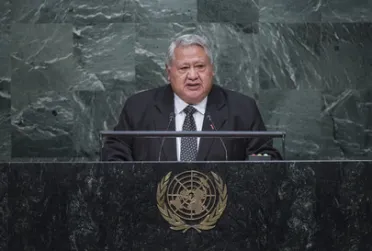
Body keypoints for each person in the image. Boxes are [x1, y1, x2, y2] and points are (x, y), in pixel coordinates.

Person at [102, 34, 282, 161]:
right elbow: (115, 155)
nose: (193, 75)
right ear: (169, 72)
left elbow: (265, 158)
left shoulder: (242, 109)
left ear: (212, 70)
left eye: (200, 66)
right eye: (184, 68)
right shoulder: (138, 108)